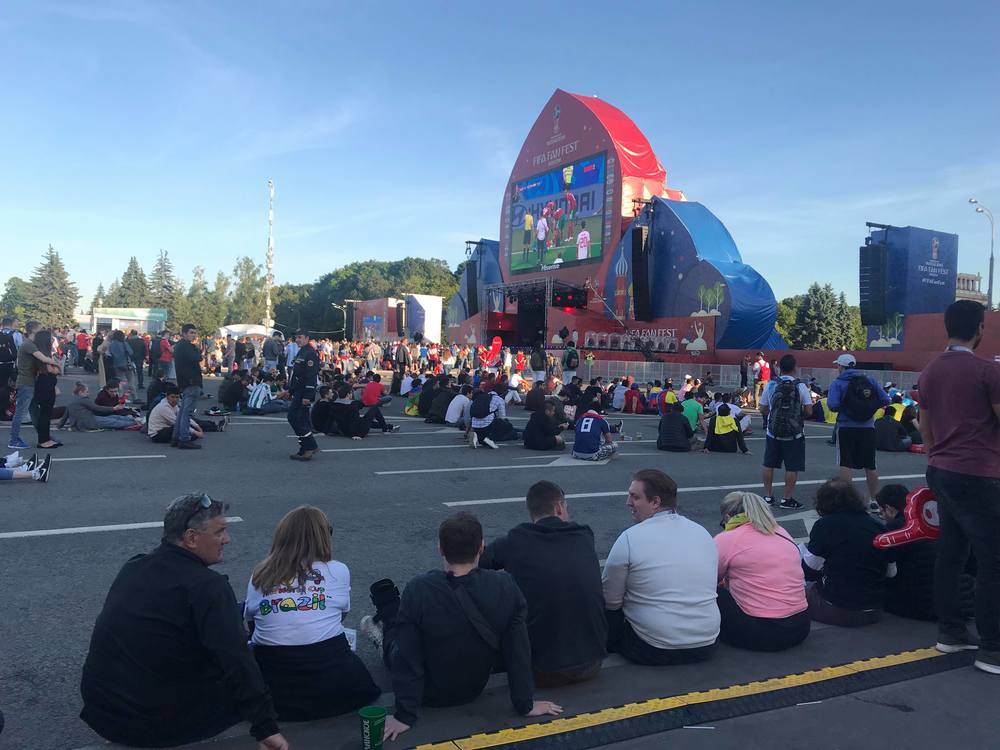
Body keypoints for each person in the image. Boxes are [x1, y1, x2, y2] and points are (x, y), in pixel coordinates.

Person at [80, 494, 289, 749]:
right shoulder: (209, 587)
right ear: (191, 538)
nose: (227, 539)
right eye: (220, 532)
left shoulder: (134, 567)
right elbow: (236, 660)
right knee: (258, 667)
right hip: (153, 724)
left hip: (104, 711)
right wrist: (266, 727)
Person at [359, 512, 563, 741]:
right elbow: (518, 650)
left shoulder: (419, 588)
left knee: (394, 639)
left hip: (428, 693)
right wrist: (525, 704)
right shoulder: (505, 585)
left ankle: (384, 626)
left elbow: (407, 658)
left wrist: (404, 716)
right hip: (472, 688)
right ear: (481, 547)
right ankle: (389, 614)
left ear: (440, 549)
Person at [917, 299, 1000, 672]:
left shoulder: (930, 372)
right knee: (992, 561)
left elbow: (926, 428)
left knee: (950, 553)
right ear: (980, 328)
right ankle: (993, 647)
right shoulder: (987, 371)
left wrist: (937, 459)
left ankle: (950, 632)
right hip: (980, 473)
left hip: (942, 470)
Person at [245, 506, 380, 720]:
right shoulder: (338, 570)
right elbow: (340, 617)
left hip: (277, 687)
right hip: (333, 685)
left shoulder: (260, 574)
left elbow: (252, 624)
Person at [480, 481, 607, 686]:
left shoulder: (515, 540)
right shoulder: (584, 535)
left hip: (540, 670)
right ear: (559, 507)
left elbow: (474, 563)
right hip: (592, 662)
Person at [603, 469, 719, 665]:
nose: (628, 502)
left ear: (655, 502)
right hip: (706, 644)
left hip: (653, 647)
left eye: (635, 497)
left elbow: (611, 602)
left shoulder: (630, 537)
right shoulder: (703, 533)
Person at [714, 491, 810, 651]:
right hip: (801, 626)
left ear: (727, 517)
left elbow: (710, 580)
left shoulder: (727, 538)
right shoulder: (781, 532)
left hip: (764, 633)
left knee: (715, 593)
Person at [799, 480, 895, 627]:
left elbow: (809, 571)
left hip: (838, 607)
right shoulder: (878, 526)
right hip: (874, 608)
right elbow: (891, 572)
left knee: (797, 591)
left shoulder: (825, 525)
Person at [874, 484, 974, 622]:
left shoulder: (894, 530)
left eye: (882, 512)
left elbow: (888, 571)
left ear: (889, 509)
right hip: (964, 597)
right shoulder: (935, 521)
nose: (883, 516)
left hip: (924, 603)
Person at [827, 353, 891, 510]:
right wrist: (869, 408)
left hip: (846, 427)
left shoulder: (838, 383)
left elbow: (832, 405)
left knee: (845, 463)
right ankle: (875, 500)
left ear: (840, 366)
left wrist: (846, 406)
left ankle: (847, 500)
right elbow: (885, 399)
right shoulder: (869, 380)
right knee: (870, 465)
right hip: (868, 427)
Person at [759, 354, 814, 509]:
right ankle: (786, 499)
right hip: (794, 433)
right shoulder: (800, 386)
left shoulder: (771, 384)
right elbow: (809, 411)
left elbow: (762, 408)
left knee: (769, 464)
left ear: (779, 368)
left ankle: (768, 496)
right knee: (792, 466)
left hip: (773, 432)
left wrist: (773, 414)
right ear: (795, 368)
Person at [8, 320, 58, 451]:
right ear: (34, 330)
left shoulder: (30, 344)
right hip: (26, 383)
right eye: (40, 329)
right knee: (21, 412)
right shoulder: (28, 345)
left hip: (30, 382)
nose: (42, 331)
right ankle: (14, 439)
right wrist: (56, 363)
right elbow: (43, 359)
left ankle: (44, 437)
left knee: (35, 412)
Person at [282, 330, 320, 461]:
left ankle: (310, 446)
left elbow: (311, 377)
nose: (297, 339)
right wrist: (290, 391)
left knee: (293, 417)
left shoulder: (310, 353)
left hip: (304, 392)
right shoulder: (302, 351)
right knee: (301, 420)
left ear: (307, 338)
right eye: (296, 337)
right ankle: (304, 449)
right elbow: (297, 376)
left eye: (300, 337)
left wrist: (307, 396)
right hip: (298, 390)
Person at [59, 382, 141, 431]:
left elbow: (65, 415)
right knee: (113, 421)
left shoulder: (72, 400)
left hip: (86, 420)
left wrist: (59, 426)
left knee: (113, 418)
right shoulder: (83, 400)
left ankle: (135, 421)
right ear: (81, 392)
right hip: (89, 421)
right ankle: (135, 422)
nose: (88, 394)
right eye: (86, 392)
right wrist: (113, 408)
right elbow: (96, 408)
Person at [172, 324, 204, 449]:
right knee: (187, 413)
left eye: (195, 333)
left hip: (185, 382)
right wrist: (197, 350)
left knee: (182, 412)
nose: (194, 335)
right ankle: (184, 439)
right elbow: (197, 357)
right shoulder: (186, 346)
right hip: (191, 382)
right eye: (191, 332)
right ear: (184, 333)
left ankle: (176, 437)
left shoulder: (180, 346)